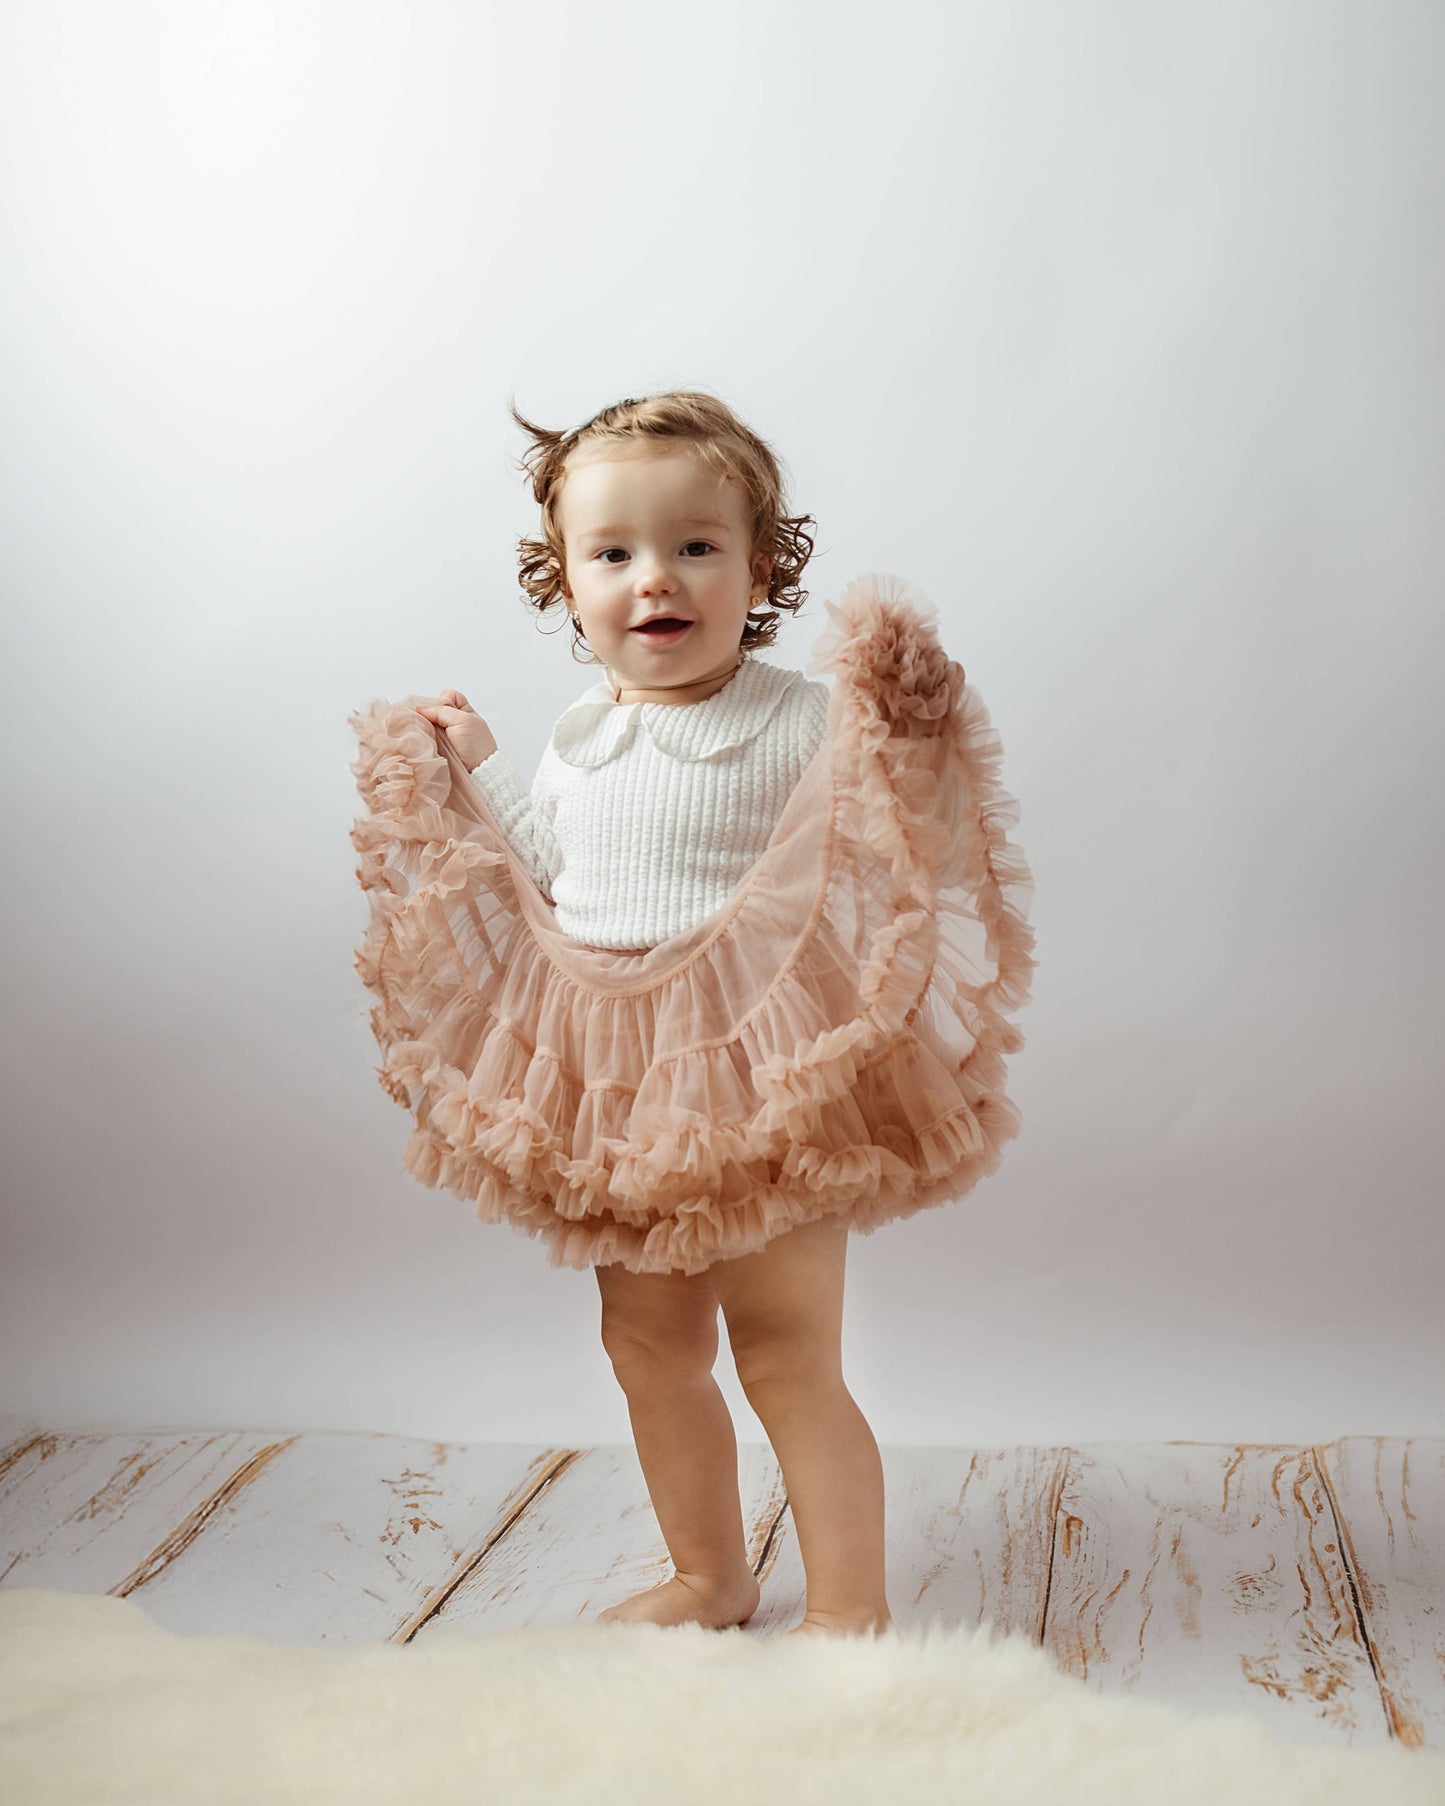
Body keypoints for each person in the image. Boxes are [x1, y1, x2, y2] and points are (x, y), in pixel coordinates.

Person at [347, 389, 1035, 1642]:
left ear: (758, 565)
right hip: (615, 1073)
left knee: (782, 1352)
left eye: (694, 547)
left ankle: (849, 1607)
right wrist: (485, 764)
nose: (653, 580)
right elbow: (558, 864)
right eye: (612, 554)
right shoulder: (578, 735)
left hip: (758, 1070)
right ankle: (709, 1577)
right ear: (562, 580)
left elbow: (875, 833)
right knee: (647, 1343)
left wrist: (902, 707)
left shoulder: (793, 720)